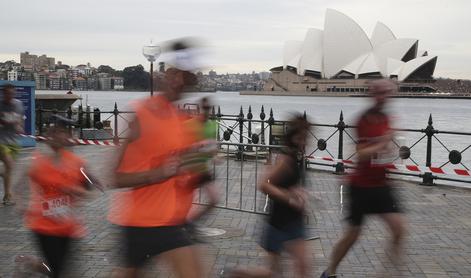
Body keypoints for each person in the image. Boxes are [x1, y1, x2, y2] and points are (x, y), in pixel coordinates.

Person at [108, 41, 207, 278]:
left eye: (186, 77)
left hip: (170, 220)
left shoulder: (181, 120)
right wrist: (156, 174)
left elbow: (182, 170)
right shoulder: (140, 115)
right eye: (174, 75)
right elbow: (114, 178)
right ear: (162, 76)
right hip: (144, 222)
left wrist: (196, 163)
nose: (179, 82)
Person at [320, 79, 406, 278]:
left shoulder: (387, 119)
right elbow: (361, 154)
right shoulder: (362, 120)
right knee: (353, 234)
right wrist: (383, 143)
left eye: (387, 93)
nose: (384, 97)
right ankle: (330, 271)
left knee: (399, 228)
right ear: (372, 94)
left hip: (381, 184)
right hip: (361, 185)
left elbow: (386, 150)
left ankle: (388, 273)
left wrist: (391, 150)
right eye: (380, 92)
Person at [226, 114, 311, 278]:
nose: (304, 142)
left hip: (294, 220)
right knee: (273, 272)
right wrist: (289, 197)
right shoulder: (285, 160)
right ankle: (237, 274)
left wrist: (299, 193)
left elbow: (288, 183)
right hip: (279, 223)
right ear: (292, 138)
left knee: (301, 267)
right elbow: (264, 184)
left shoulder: (296, 157)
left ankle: (236, 274)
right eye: (301, 138)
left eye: (306, 138)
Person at [23, 115, 97, 278]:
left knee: (58, 268)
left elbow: (93, 190)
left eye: (62, 133)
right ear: (48, 137)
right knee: (58, 270)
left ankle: (33, 265)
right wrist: (21, 204)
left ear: (68, 137)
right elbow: (20, 186)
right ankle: (35, 266)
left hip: (68, 226)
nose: (57, 137)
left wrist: (76, 191)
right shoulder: (38, 162)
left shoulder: (78, 163)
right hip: (43, 224)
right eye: (54, 133)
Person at [0, 83, 24, 206]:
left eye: (12, 93)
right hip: (1, 140)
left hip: (13, 141)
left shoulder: (18, 104)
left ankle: (7, 196)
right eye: (7, 93)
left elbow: (20, 118)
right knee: (9, 164)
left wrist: (19, 126)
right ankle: (9, 194)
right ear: (3, 94)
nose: (10, 96)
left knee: (9, 170)